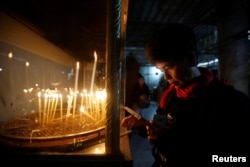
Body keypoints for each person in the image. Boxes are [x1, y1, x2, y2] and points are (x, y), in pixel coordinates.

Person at [121, 23, 250, 167]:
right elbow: (160, 125)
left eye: (168, 68)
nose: (166, 77)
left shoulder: (230, 103)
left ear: (190, 59)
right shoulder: (171, 95)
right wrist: (143, 125)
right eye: (161, 70)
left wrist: (172, 143)